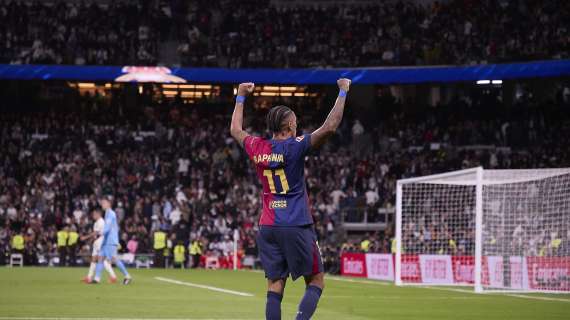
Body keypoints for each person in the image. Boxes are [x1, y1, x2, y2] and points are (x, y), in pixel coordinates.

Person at [230, 79, 351, 320]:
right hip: (295, 223)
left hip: (268, 226)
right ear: (288, 125)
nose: (297, 123)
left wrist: (241, 96)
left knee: (275, 286)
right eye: (295, 119)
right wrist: (343, 91)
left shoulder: (258, 147)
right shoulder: (295, 147)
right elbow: (330, 127)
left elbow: (235, 129)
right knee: (316, 280)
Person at [91, 196, 132, 285]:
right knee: (100, 258)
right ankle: (97, 279)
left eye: (104, 203)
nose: (102, 204)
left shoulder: (111, 214)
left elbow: (107, 228)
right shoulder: (107, 213)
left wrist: (99, 233)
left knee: (114, 259)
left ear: (109, 204)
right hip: (106, 240)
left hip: (110, 241)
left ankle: (127, 276)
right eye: (102, 203)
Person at [81, 209, 117, 283]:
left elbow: (96, 233)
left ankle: (113, 277)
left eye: (94, 214)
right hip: (96, 242)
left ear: (98, 214)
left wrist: (85, 237)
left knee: (102, 260)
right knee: (93, 259)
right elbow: (95, 235)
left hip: (101, 242)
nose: (93, 216)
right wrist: (90, 242)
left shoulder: (101, 221)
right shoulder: (96, 222)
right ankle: (89, 277)